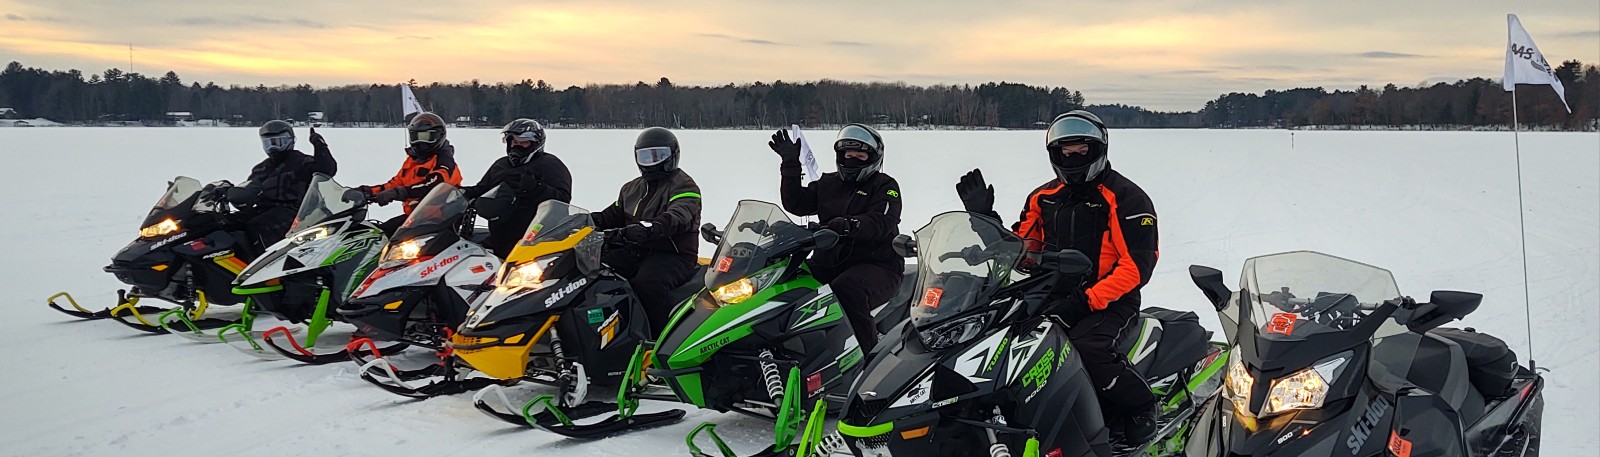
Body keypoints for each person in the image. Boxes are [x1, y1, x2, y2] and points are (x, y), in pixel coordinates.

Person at [954, 110, 1159, 444]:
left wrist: (1084, 301)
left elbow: (1136, 267)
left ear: (1099, 150)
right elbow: (1023, 251)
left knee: (1085, 349)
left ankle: (1142, 405)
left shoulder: (1126, 198)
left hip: (1109, 300)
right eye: (1066, 152)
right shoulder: (1043, 197)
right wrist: (983, 219)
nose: (1074, 157)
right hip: (1051, 293)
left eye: (1082, 151)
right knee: (995, 335)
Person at [767, 124, 902, 351]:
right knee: (786, 278)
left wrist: (849, 225)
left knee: (847, 289)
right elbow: (796, 203)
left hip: (876, 265)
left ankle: (868, 357)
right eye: (848, 155)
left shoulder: (885, 186)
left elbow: (882, 222)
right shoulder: (828, 183)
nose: (853, 160)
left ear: (874, 158)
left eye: (861, 156)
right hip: (828, 261)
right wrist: (790, 165)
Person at [591, 127, 702, 334]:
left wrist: (651, 228)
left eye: (658, 155)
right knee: (594, 271)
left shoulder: (684, 185)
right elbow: (611, 215)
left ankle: (661, 337)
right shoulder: (632, 188)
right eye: (645, 156)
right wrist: (585, 221)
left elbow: (679, 215)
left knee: (647, 284)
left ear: (672, 156)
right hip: (636, 251)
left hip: (672, 254)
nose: (651, 162)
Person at [207, 119, 338, 252]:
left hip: (295, 213)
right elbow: (249, 188)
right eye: (268, 143)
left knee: (258, 225)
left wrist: (320, 146)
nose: (273, 147)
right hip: (263, 209)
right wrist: (234, 194)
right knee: (228, 223)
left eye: (278, 142)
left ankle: (265, 262)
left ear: (290, 140)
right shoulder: (261, 168)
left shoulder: (303, 162)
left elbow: (326, 170)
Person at [464, 118, 573, 257]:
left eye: (523, 143)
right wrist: (461, 193)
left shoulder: (550, 165)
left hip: (533, 240)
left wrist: (534, 188)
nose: (517, 147)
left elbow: (562, 200)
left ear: (535, 144)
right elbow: (482, 188)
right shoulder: (501, 165)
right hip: (499, 237)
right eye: (514, 142)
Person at [345, 112, 463, 234]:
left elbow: (433, 186)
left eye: (424, 137)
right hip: (416, 218)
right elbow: (396, 183)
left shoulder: (444, 162)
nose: (419, 142)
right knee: (375, 233)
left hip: (439, 222)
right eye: (415, 137)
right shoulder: (413, 161)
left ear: (438, 136)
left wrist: (400, 192)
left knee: (387, 238)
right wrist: (368, 191)